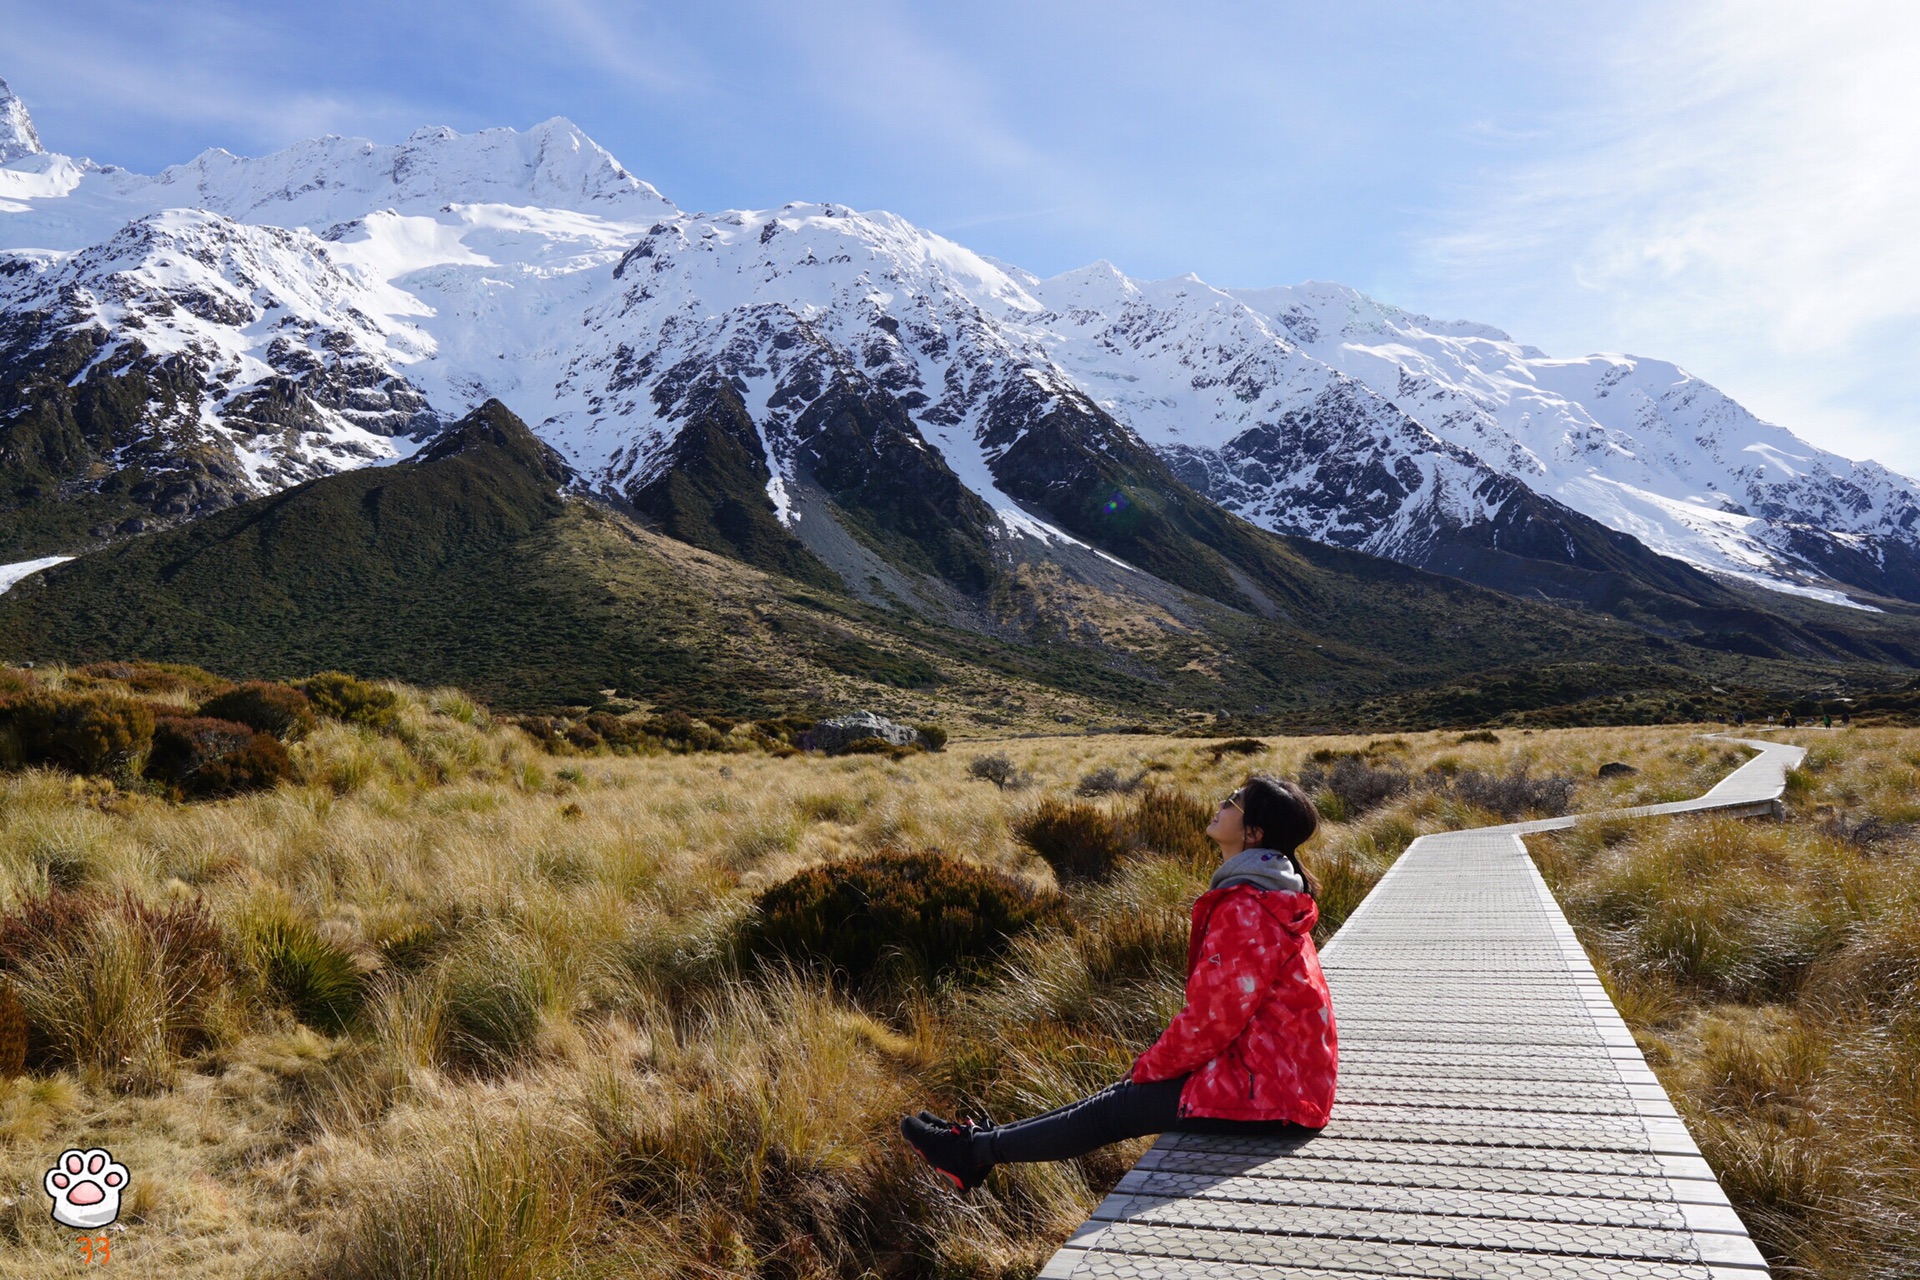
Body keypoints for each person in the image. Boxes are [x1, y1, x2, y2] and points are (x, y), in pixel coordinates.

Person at [900, 774, 1338, 1191]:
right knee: (1117, 1098)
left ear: (1254, 833)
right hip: (1281, 1079)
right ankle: (973, 1146)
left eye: (1233, 802)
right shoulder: (1268, 894)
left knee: (1114, 1110)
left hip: (1271, 1095)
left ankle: (969, 1151)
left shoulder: (1246, 907)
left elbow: (1211, 1020)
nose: (1221, 805)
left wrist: (1151, 1066)